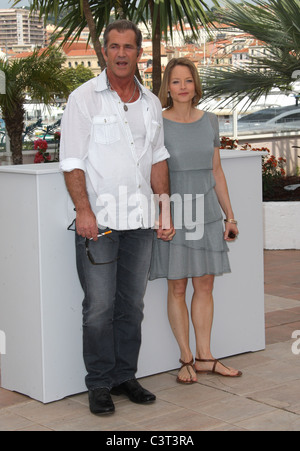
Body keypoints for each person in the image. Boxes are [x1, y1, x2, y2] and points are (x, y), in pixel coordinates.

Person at [60, 20, 175, 415]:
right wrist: (83, 211)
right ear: (104, 52)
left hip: (141, 222)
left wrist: (164, 209)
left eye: (129, 47)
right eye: (114, 46)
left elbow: (157, 159)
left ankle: (126, 375)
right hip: (101, 223)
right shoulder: (84, 98)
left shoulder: (150, 102)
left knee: (133, 305)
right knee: (99, 308)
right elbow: (72, 161)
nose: (122, 53)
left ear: (138, 53)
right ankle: (99, 384)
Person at [150, 58, 242, 384]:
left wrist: (229, 215)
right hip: (173, 211)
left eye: (188, 80)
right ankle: (185, 358)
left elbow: (216, 172)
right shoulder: (157, 124)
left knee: (205, 285)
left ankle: (205, 357)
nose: (183, 87)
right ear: (168, 88)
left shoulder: (211, 122)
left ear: (195, 84)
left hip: (205, 211)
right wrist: (162, 214)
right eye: (176, 81)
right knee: (177, 286)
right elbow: (152, 173)